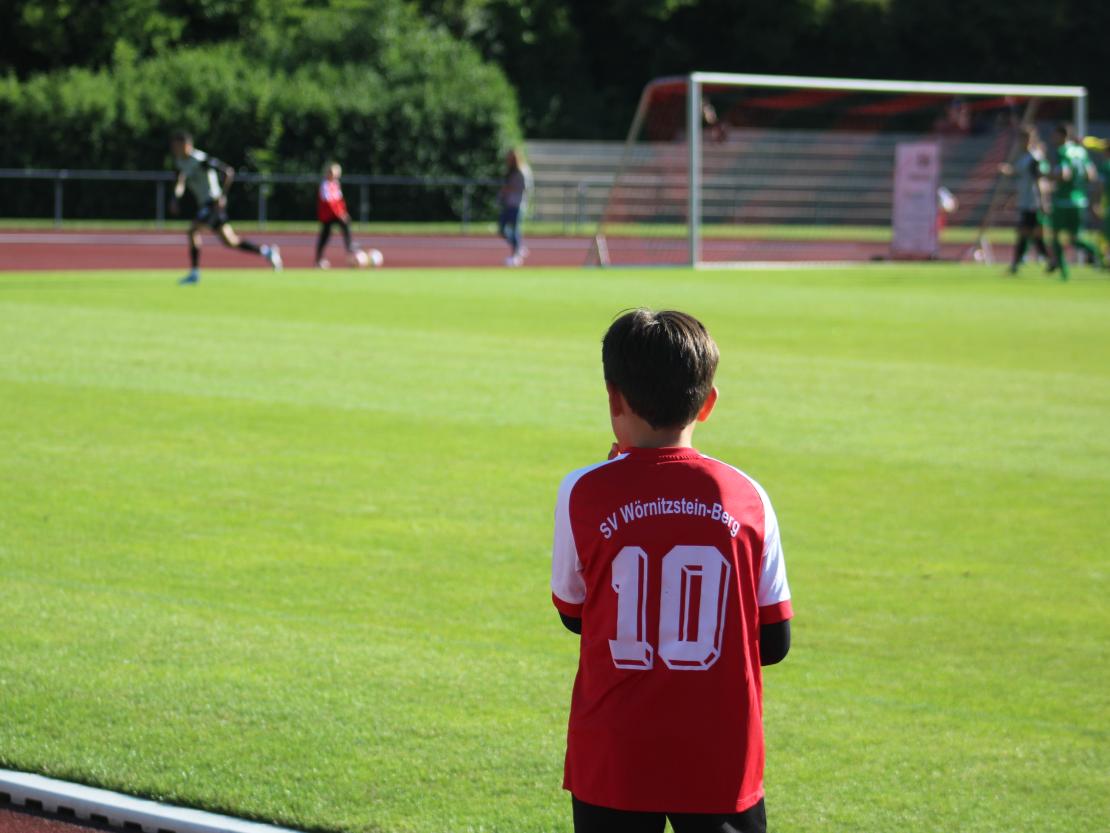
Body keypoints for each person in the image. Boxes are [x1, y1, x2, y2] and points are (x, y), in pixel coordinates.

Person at [550, 309, 793, 833]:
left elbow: (574, 614)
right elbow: (774, 642)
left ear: (613, 397)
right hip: (720, 757)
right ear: (708, 404)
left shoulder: (582, 490)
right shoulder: (747, 495)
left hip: (614, 755)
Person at [169, 131, 282, 285]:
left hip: (212, 202)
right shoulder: (180, 162)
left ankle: (195, 273)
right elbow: (180, 182)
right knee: (231, 241)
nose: (174, 148)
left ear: (186, 145)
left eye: (177, 145)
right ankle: (268, 252)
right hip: (205, 204)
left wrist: (222, 195)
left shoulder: (200, 159)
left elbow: (228, 172)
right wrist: (176, 198)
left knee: (193, 230)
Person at [1046, 123, 1102, 280]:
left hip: (1063, 200)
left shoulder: (1062, 151)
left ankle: (1064, 272)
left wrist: (1048, 176)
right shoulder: (1081, 151)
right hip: (1079, 201)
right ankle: (1096, 253)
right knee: (1075, 238)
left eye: (1055, 135)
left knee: (1056, 236)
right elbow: (1091, 175)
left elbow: (1064, 174)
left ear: (1063, 136)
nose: (1052, 138)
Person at [998, 126, 1052, 274]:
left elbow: (1039, 181)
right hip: (1026, 201)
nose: (1021, 142)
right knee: (1030, 234)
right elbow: (1024, 180)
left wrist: (1043, 202)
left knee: (1030, 233)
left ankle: (1019, 264)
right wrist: (1012, 198)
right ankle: (1047, 260)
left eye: (1024, 138)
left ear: (1030, 139)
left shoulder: (1034, 158)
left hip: (1033, 202)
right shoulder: (1024, 158)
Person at [315, 161, 359, 268]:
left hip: (336, 214)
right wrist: (340, 214)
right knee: (325, 236)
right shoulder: (325, 185)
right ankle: (319, 259)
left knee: (345, 225)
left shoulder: (336, 184)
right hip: (327, 215)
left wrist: (344, 212)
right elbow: (329, 202)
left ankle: (350, 250)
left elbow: (339, 200)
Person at [497, 149, 532, 266]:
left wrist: (510, 188)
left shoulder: (522, 170)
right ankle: (519, 246)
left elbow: (525, 187)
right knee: (502, 229)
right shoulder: (510, 170)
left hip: (518, 204)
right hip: (508, 203)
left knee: (515, 228)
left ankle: (515, 256)